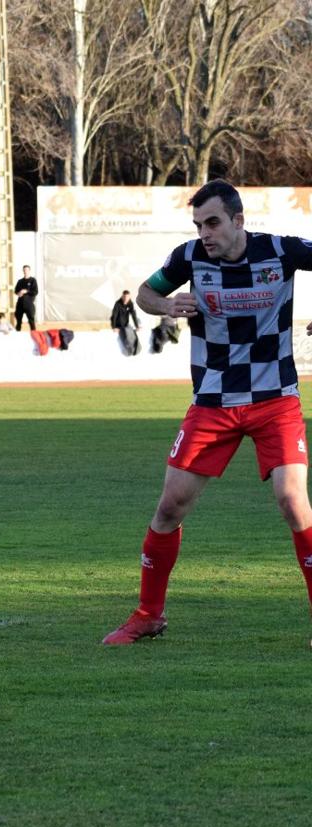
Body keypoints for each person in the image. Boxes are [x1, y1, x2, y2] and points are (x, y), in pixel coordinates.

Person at [103, 178, 312, 645]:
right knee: (170, 505)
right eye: (199, 225)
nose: (205, 233)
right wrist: (165, 303)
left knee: (292, 500)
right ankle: (147, 615)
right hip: (213, 402)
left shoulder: (282, 251)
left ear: (239, 220)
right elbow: (144, 293)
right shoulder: (188, 258)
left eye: (213, 223)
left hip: (275, 399)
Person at [110, 289, 141, 355]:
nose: (125, 299)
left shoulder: (130, 304)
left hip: (126, 324)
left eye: (127, 297)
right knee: (125, 338)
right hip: (119, 325)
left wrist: (137, 326)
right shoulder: (117, 303)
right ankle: (128, 351)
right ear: (122, 296)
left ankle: (136, 348)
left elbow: (133, 315)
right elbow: (114, 316)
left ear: (129, 297)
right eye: (124, 297)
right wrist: (114, 327)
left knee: (132, 334)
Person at [14, 264, 38, 331]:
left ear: (29, 271)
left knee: (31, 321)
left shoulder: (33, 280)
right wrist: (19, 293)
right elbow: (16, 291)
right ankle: (17, 335)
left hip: (29, 304)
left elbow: (35, 292)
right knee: (18, 322)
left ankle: (34, 336)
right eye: (24, 270)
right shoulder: (20, 281)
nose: (25, 271)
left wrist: (26, 291)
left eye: (27, 270)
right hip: (20, 304)